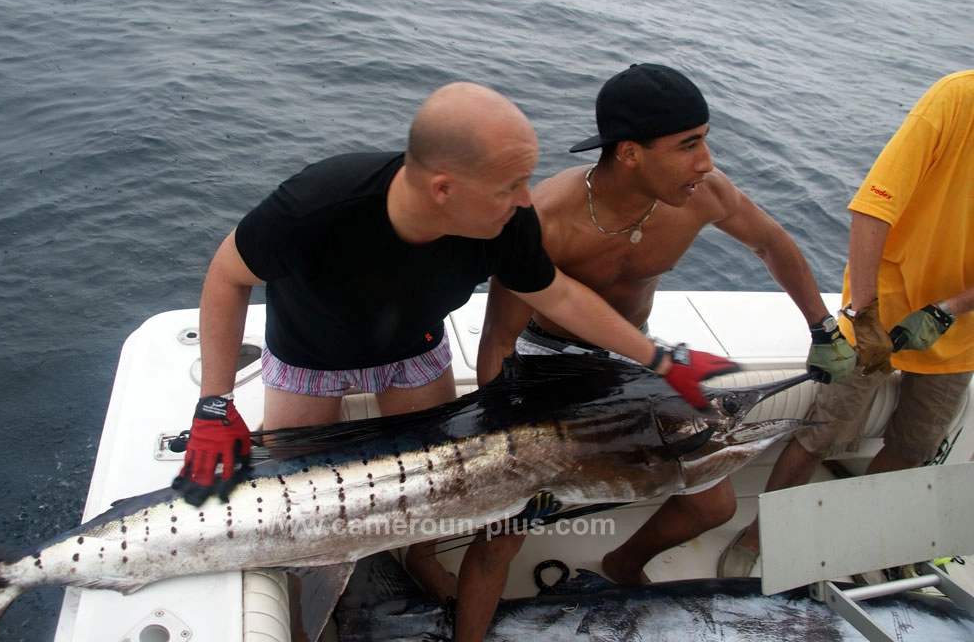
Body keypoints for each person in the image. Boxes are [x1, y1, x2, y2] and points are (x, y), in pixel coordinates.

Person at [168, 81, 739, 609]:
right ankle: (303, 590)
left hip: (413, 352)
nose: (525, 199)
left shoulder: (509, 222)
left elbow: (558, 295)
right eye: (509, 187)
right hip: (309, 357)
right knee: (290, 496)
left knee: (442, 489)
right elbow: (227, 275)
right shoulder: (319, 206)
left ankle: (418, 556)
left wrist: (661, 360)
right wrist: (214, 405)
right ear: (445, 189)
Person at [454, 63, 856, 641]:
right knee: (503, 531)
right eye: (689, 144)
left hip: (633, 358)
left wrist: (822, 327)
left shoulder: (702, 195)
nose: (706, 162)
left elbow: (772, 243)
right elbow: (496, 344)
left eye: (706, 140)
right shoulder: (547, 219)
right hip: (548, 362)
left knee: (713, 505)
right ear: (630, 153)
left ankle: (621, 562)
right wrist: (508, 454)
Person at [717, 70, 974, 578]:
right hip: (883, 304)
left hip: (961, 330)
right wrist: (867, 314)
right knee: (821, 430)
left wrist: (952, 308)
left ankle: (859, 538)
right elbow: (871, 211)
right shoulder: (957, 97)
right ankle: (763, 533)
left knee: (915, 447)